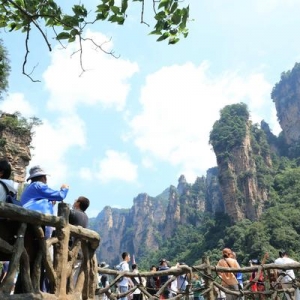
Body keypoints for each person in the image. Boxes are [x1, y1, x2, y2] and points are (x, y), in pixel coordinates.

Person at [20, 165, 69, 238]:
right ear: (43, 177)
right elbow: (60, 196)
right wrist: (64, 188)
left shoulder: (30, 188)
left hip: (28, 220)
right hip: (37, 221)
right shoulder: (38, 185)